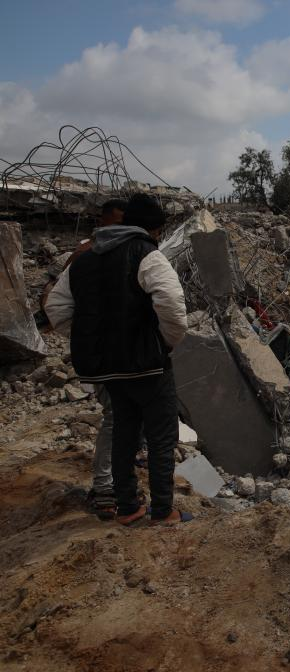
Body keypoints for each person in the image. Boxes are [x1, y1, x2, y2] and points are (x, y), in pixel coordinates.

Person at [46, 194, 191, 526]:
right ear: (153, 229)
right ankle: (163, 511)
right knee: (161, 436)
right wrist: (164, 343)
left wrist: (92, 340)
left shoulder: (83, 259)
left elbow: (56, 308)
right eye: (158, 232)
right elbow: (173, 308)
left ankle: (127, 508)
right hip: (148, 367)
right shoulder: (146, 254)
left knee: (124, 433)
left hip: (108, 370)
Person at [39, 199, 129, 519]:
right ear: (103, 223)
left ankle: (117, 479)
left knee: (125, 416)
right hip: (105, 354)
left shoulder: (120, 252)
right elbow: (56, 307)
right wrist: (84, 336)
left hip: (116, 352)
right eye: (117, 223)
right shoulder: (86, 256)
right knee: (117, 415)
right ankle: (106, 488)